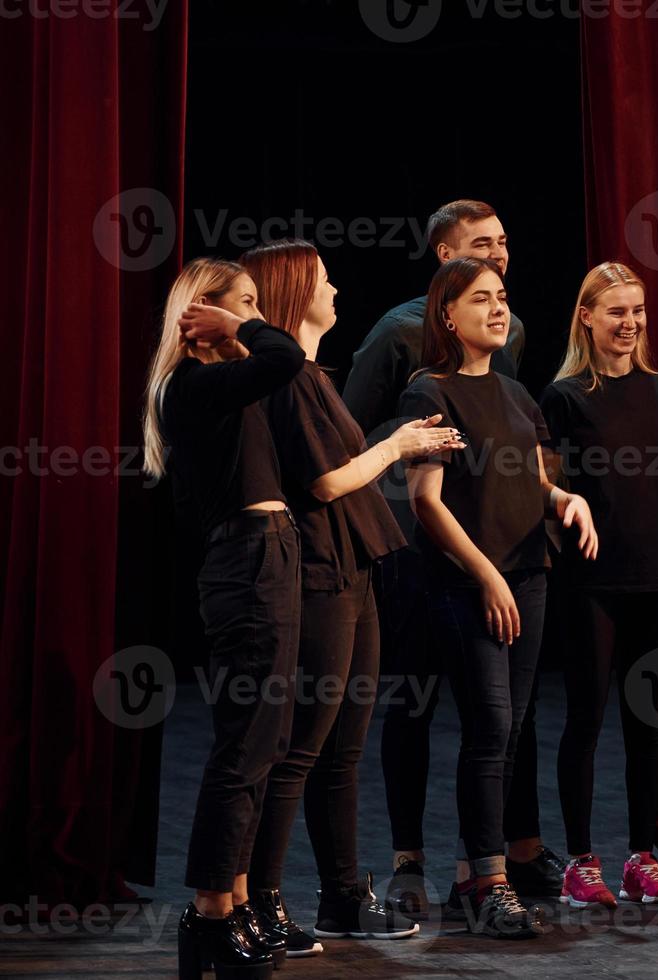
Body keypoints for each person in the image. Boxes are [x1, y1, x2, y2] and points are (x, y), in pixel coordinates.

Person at [341, 199, 568, 912]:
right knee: (416, 701)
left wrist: (556, 498)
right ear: (445, 264)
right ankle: (413, 856)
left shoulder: (511, 345)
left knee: (501, 717)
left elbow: (513, 438)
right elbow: (351, 436)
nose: (498, 262)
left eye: (504, 249)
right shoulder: (399, 340)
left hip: (501, 546)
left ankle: (497, 860)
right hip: (420, 544)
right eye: (481, 251)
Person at [238, 239, 453, 954]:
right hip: (321, 573)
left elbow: (339, 467)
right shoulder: (286, 378)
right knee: (300, 748)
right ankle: (262, 901)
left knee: (342, 751)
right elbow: (326, 483)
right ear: (297, 293)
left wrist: (394, 438)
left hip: (354, 567)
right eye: (325, 280)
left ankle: (339, 895)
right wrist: (395, 446)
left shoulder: (316, 377)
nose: (338, 289)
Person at [399, 256, 598, 939]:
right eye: (480, 298)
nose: (497, 308)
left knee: (511, 730)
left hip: (531, 573)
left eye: (502, 297)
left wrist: (565, 497)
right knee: (488, 729)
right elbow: (426, 501)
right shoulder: (429, 391)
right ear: (447, 315)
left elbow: (530, 481)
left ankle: (468, 877)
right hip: (469, 583)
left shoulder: (519, 396)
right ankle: (490, 882)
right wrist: (485, 575)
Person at [144, 258, 304, 979]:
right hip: (246, 563)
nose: (253, 318)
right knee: (244, 744)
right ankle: (210, 913)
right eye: (239, 306)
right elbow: (285, 353)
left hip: (267, 556)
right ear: (202, 316)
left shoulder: (222, 389)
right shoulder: (192, 386)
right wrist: (244, 328)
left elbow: (285, 367)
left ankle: (230, 902)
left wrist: (239, 326)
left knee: (264, 741)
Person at [540, 261, 658, 908]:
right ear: (588, 317)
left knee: (649, 722)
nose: (629, 324)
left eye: (638, 313)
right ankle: (580, 860)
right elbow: (545, 485)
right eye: (616, 313)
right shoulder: (565, 395)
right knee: (585, 717)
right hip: (592, 579)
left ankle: (640, 858)